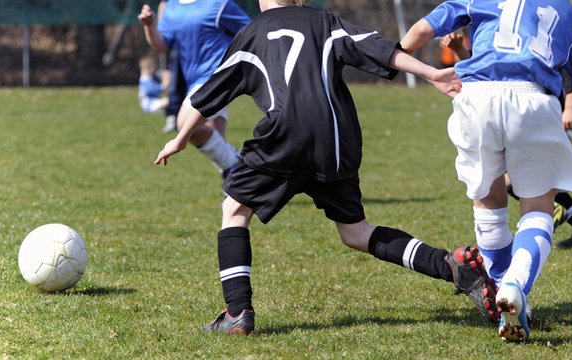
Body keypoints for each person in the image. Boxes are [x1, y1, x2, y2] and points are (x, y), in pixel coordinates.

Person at [154, 0, 498, 335]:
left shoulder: (253, 32)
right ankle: (452, 268)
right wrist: (430, 73)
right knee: (356, 232)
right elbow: (377, 47)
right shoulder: (324, 22)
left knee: (234, 210)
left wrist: (182, 137)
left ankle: (237, 311)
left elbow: (214, 89)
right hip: (336, 140)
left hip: (284, 136)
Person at [401, 0, 572, 342]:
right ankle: (513, 284)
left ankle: (499, 288)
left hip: (476, 95)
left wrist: (389, 56)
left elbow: (423, 29)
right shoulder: (567, 12)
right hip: (532, 98)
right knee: (538, 209)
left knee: (489, 202)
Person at [442, 31, 572, 248]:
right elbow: (483, 69)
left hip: (535, 108)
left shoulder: (537, 21)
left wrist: (569, 107)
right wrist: (459, 50)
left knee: (507, 176)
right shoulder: (501, 24)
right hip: (511, 109)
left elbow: (568, 65)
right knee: (526, 175)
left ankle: (553, 212)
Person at [139, 0, 249, 185]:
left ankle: (237, 167)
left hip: (217, 77)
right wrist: (149, 26)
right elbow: (162, 45)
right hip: (195, 82)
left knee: (184, 122)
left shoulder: (219, 4)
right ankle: (236, 183)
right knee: (216, 143)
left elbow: (251, 31)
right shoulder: (172, 7)